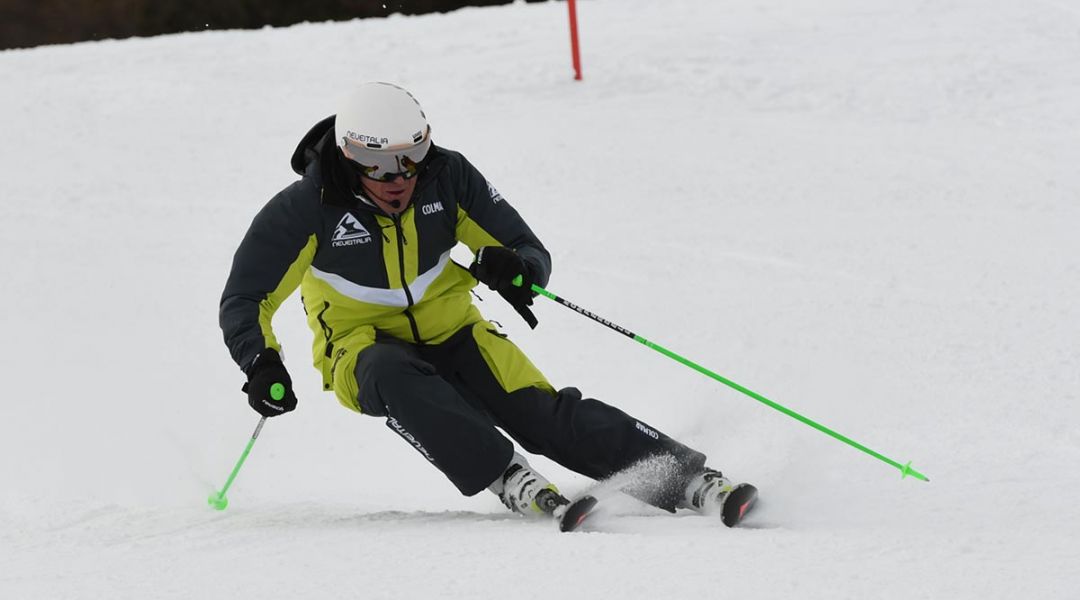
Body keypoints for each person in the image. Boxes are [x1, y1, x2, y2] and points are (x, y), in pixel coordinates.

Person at [219, 82, 744, 519]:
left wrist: (517, 270)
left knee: (543, 414)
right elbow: (246, 297)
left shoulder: (447, 179)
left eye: (413, 156)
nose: (399, 177)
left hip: (457, 329)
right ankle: (505, 475)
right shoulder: (304, 209)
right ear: (350, 156)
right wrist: (261, 361)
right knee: (392, 371)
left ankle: (690, 480)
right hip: (359, 349)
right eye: (380, 165)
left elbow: (525, 247)